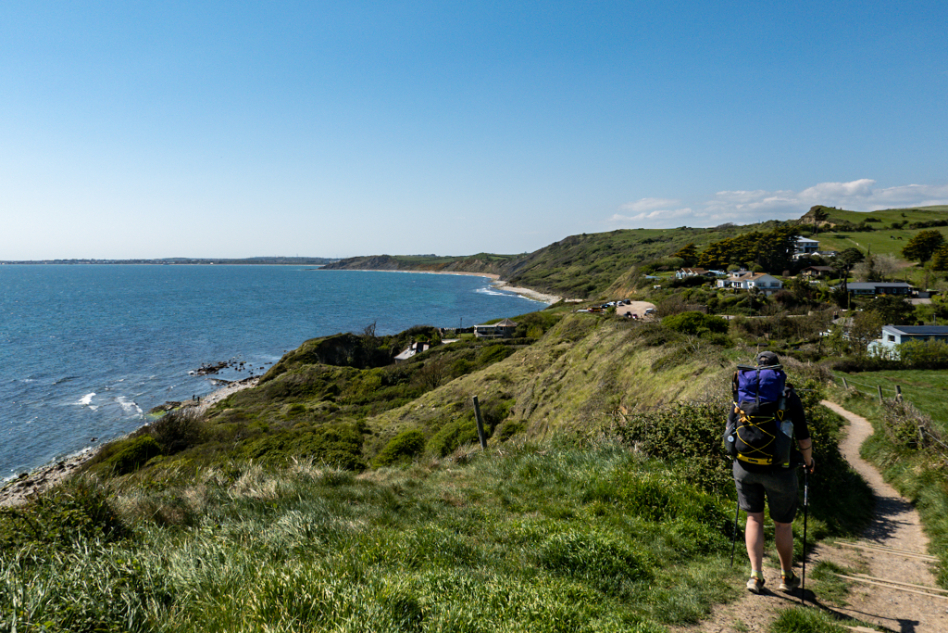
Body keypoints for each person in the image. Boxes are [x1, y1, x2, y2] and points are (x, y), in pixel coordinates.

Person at [730, 350, 815, 594]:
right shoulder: (788, 395)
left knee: (753, 518)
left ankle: (755, 577)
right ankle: (786, 577)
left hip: (745, 466)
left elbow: (731, 428)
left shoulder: (742, 392)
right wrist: (808, 461)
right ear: (778, 372)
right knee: (783, 525)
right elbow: (803, 437)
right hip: (780, 469)